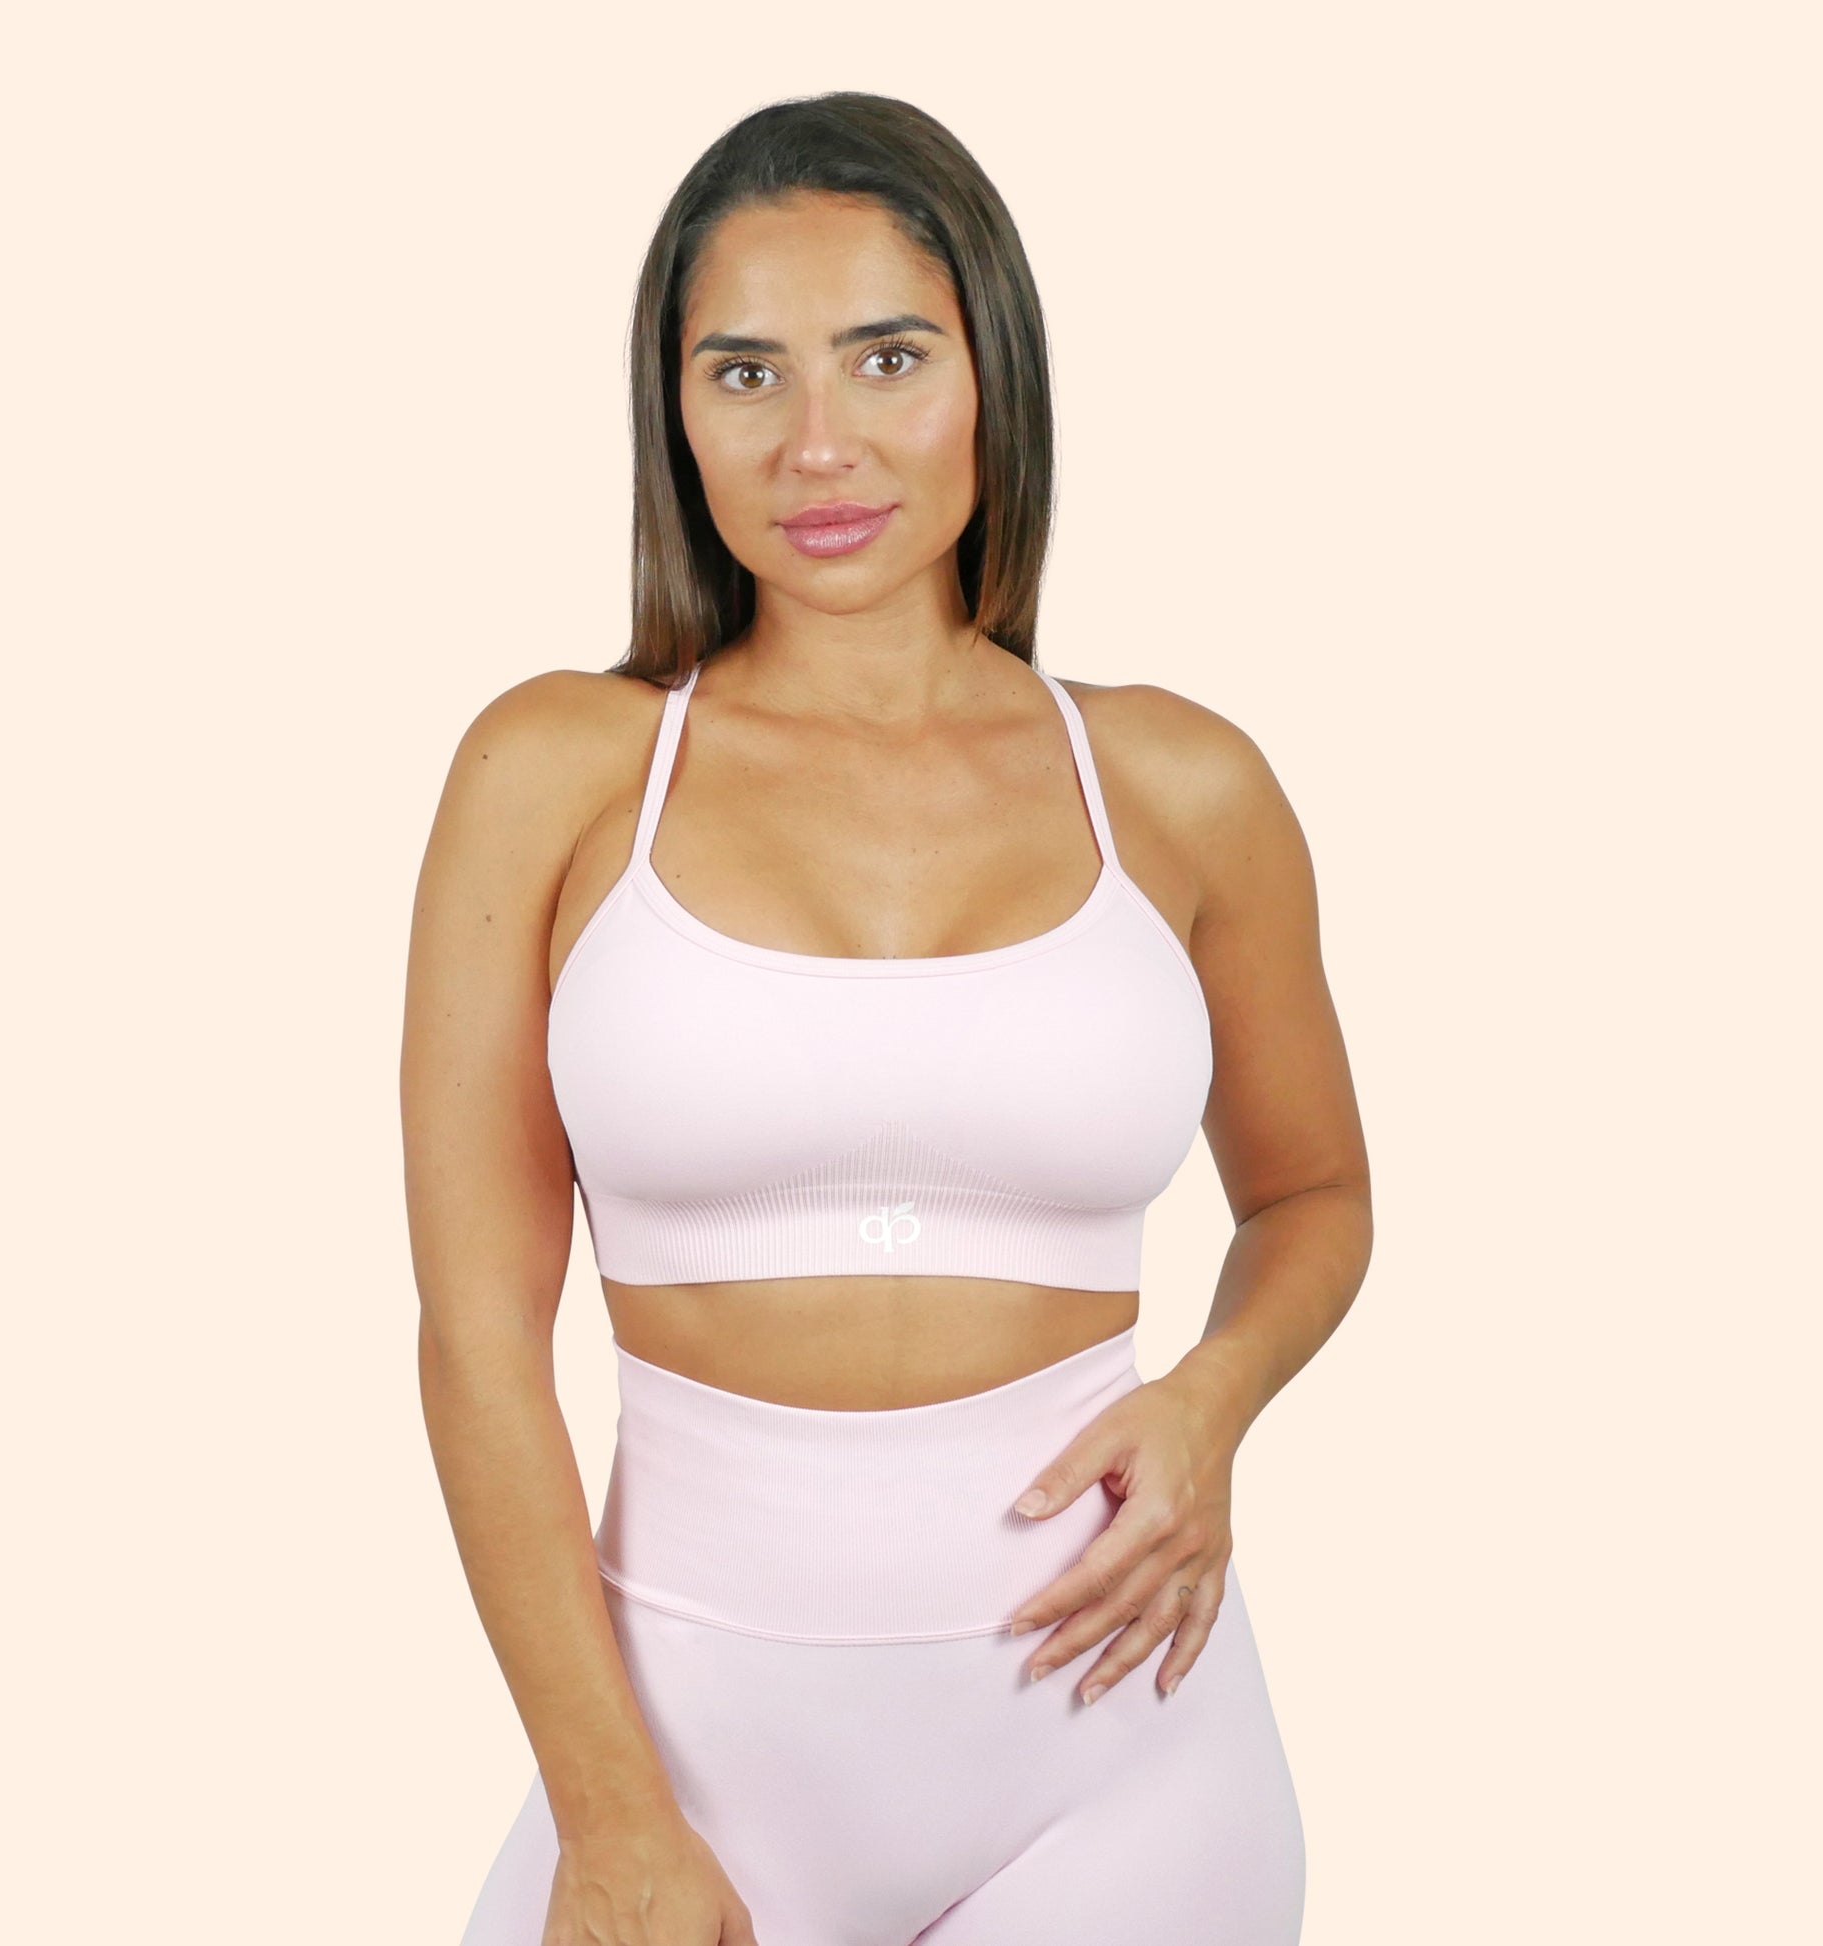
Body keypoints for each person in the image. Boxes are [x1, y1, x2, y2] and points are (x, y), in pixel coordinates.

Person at [402, 90, 1372, 1946]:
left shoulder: (1179, 785)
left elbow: (1313, 1192)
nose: (817, 443)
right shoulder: (555, 772)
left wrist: (1210, 1399)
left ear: (994, 372)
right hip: (684, 1761)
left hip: (1124, 1758)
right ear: (672, 412)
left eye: (888, 357)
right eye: (744, 373)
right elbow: (476, 1339)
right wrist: (610, 1819)